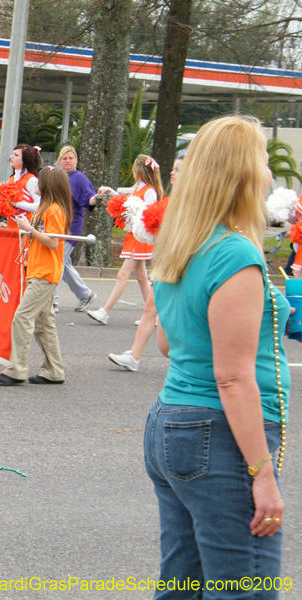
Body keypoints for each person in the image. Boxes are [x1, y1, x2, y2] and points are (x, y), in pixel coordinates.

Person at [144, 115, 287, 595]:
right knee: (244, 587)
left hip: (172, 423)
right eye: (264, 161)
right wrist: (262, 473)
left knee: (182, 584)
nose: (270, 173)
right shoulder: (234, 255)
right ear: (244, 173)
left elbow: (167, 343)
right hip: (217, 434)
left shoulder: (183, 242)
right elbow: (233, 379)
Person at [0, 166, 72, 385]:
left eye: (39, 180)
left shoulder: (54, 210)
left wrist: (29, 229)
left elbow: (53, 242)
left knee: (22, 317)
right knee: (44, 324)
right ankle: (54, 371)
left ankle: (16, 369)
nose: (35, 183)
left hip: (45, 272)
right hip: (38, 269)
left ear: (48, 184)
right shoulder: (43, 207)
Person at [108, 157, 182, 372]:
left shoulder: (191, 202)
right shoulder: (169, 199)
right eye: (173, 168)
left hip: (182, 264)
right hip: (166, 261)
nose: (172, 172)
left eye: (178, 169)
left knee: (179, 315)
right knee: (150, 306)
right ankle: (134, 357)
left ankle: (190, 360)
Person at [87, 154, 163, 325]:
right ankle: (154, 315)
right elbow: (128, 202)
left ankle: (104, 312)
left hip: (141, 237)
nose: (132, 171)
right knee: (142, 277)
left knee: (122, 274)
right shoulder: (139, 188)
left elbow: (150, 215)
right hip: (133, 235)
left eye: (134, 168)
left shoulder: (150, 191)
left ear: (140, 170)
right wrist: (111, 191)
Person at [52, 145, 97, 312]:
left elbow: (89, 200)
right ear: (59, 161)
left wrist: (96, 199)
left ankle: (53, 301)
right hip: (56, 224)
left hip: (70, 227)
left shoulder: (79, 178)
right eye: (65, 158)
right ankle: (85, 295)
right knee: (64, 264)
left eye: (71, 158)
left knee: (56, 261)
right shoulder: (59, 177)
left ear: (76, 159)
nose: (68, 161)